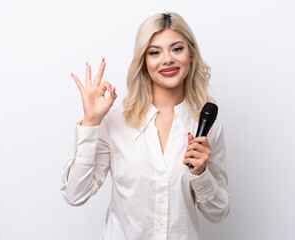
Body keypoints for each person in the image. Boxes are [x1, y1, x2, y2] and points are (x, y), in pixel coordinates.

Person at [60, 12, 230, 240]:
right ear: (144, 61)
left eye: (177, 49)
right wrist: (91, 122)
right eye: (154, 52)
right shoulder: (115, 121)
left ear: (191, 55)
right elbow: (74, 195)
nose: (167, 59)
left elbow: (218, 213)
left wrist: (201, 173)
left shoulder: (207, 127)